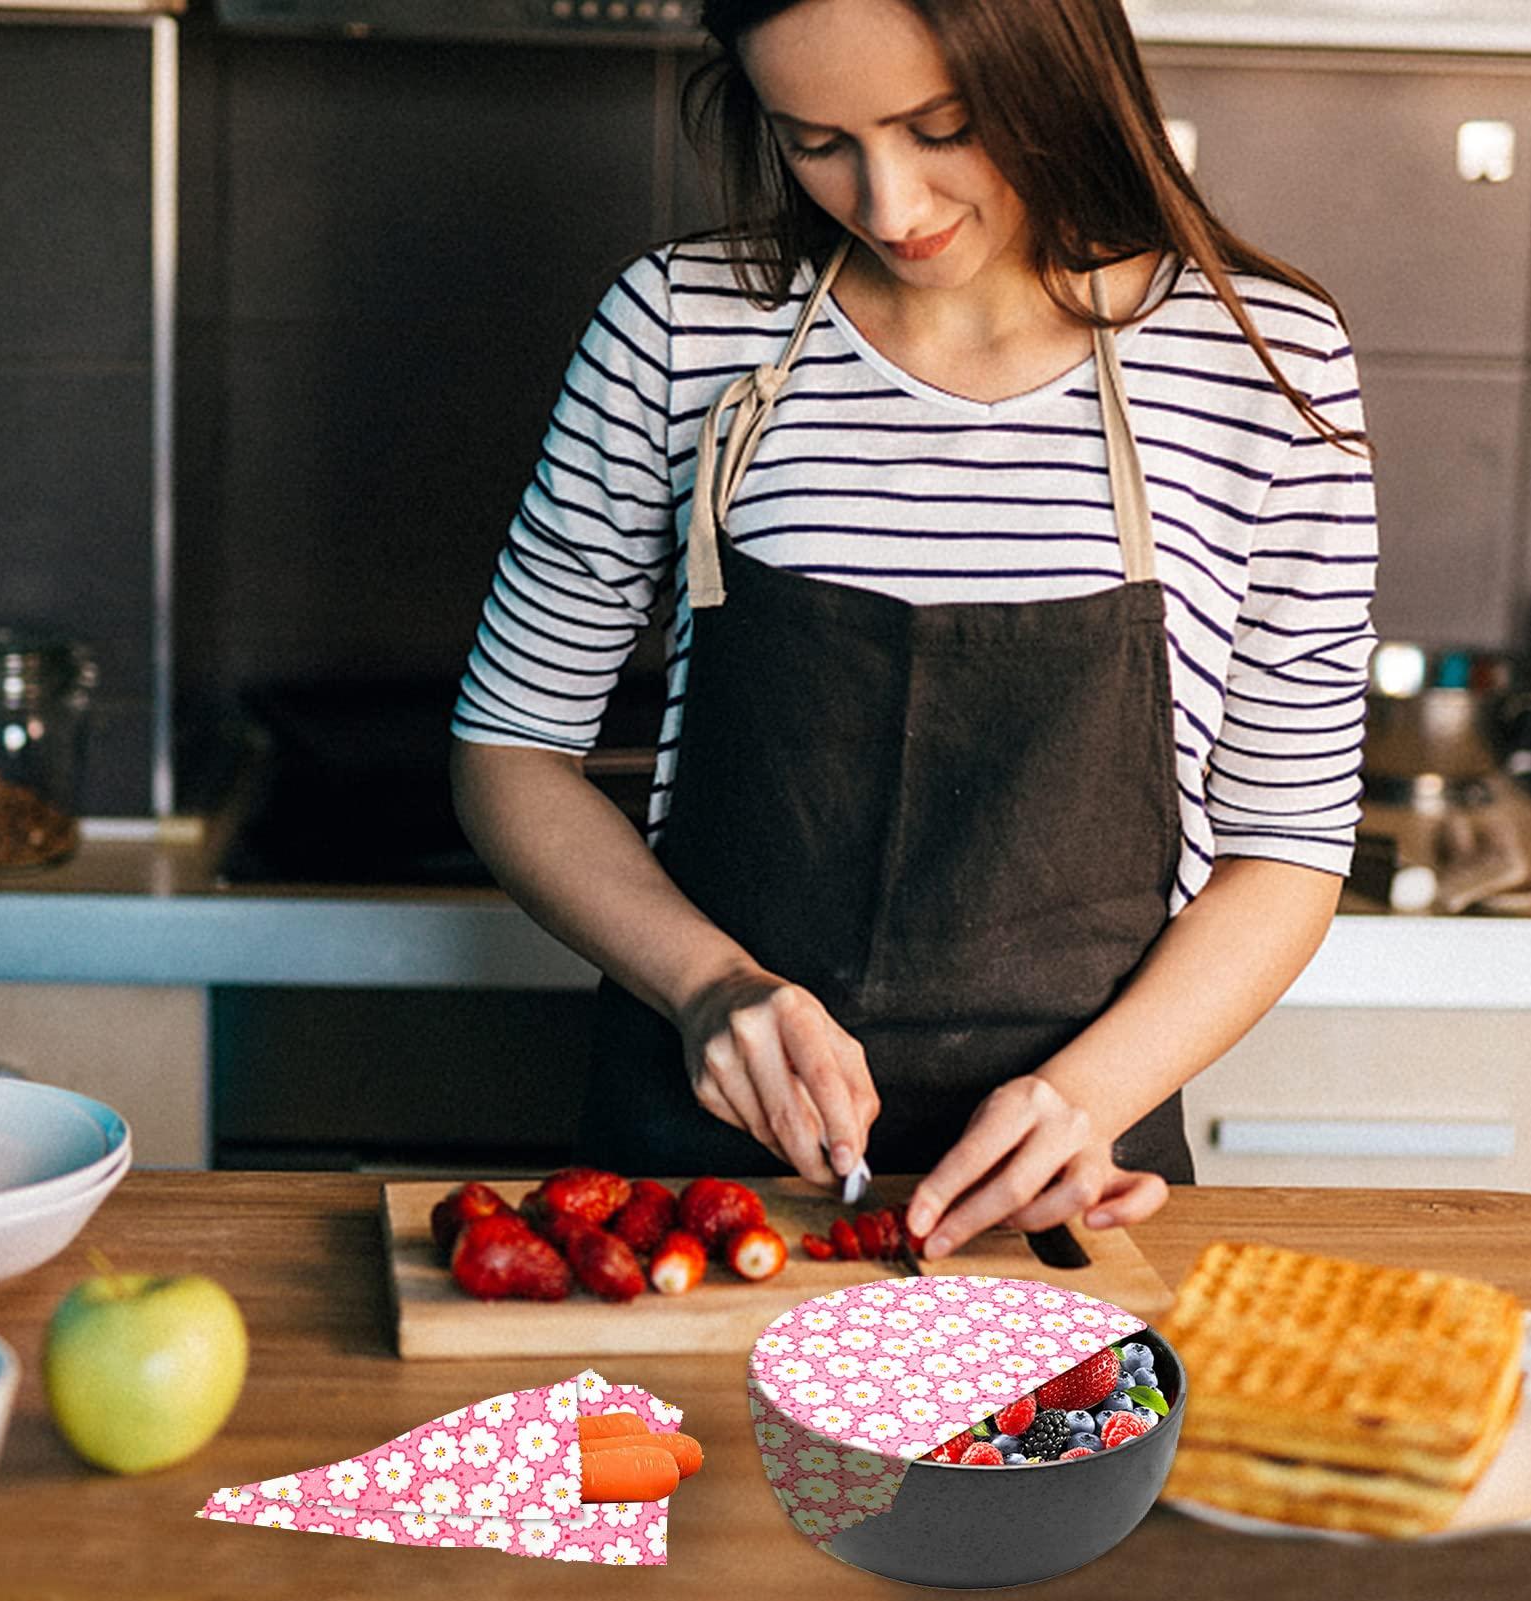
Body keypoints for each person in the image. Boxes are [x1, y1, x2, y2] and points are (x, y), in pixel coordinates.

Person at [451, 0, 1378, 1261]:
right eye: (815, 141)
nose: (887, 206)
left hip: (1060, 1197)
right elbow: (511, 748)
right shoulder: (678, 326)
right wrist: (710, 986)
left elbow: (1286, 840)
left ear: (1058, 70)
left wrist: (1086, 1097)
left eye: (939, 128)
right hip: (702, 1199)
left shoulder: (1261, 365)